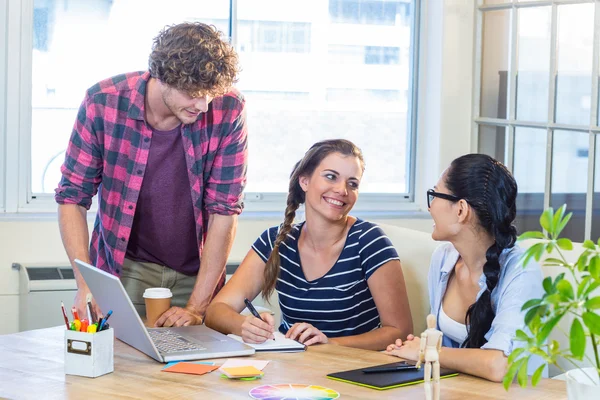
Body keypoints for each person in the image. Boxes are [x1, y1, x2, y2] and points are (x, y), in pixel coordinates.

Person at [55, 22, 247, 328]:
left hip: (198, 275)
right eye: (193, 93)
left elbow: (224, 211)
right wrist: (86, 285)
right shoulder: (102, 103)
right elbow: (71, 199)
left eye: (210, 93)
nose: (204, 104)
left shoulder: (228, 108)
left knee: (195, 373)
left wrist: (198, 307)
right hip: (125, 271)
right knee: (124, 370)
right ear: (162, 77)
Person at [204, 139, 413, 350]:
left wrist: (329, 343)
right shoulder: (275, 241)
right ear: (304, 181)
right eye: (331, 177)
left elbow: (400, 331)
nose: (342, 190)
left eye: (353, 184)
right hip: (294, 368)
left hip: (352, 370)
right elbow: (216, 311)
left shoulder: (370, 241)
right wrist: (244, 325)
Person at [385, 154, 544, 382]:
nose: (430, 207)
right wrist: (411, 350)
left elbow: (500, 365)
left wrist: (427, 351)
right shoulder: (443, 259)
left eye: (435, 195)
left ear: (461, 209)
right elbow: (448, 353)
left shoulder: (522, 271)